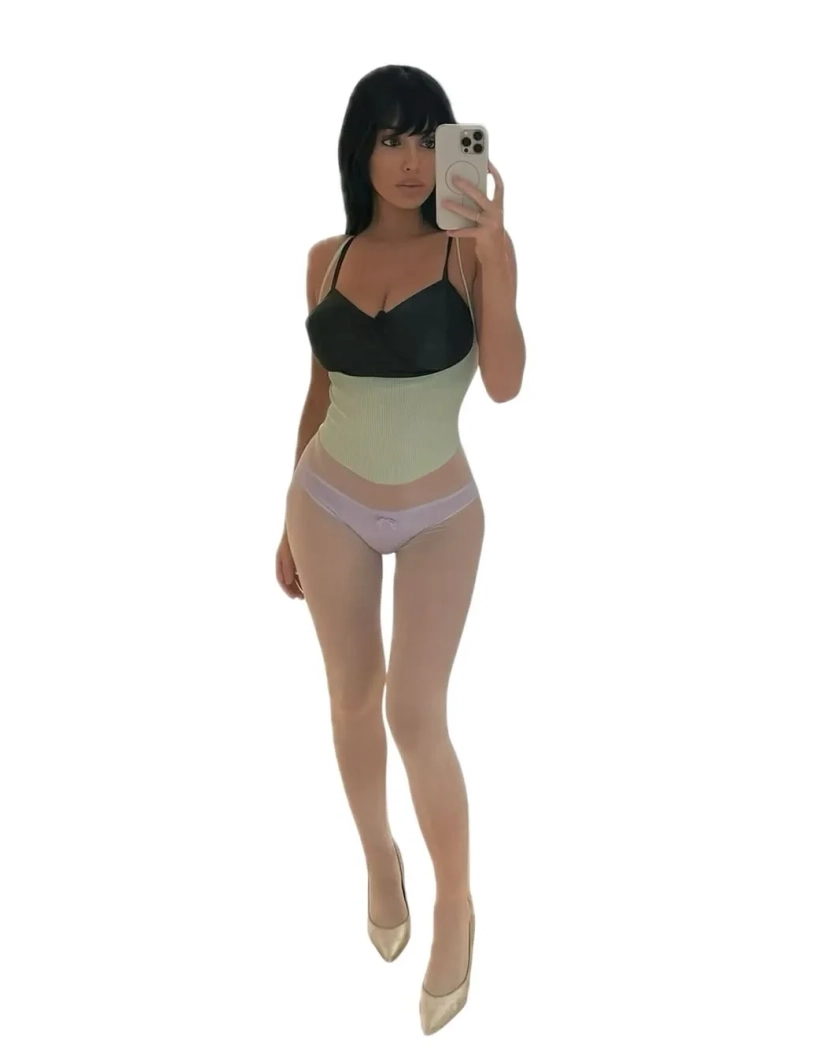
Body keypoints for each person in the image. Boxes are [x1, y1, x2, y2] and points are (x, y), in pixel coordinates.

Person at [275, 64, 525, 1035]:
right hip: (326, 501)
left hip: (440, 514)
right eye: (390, 139)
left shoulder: (471, 253)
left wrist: (494, 253)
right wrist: (285, 518)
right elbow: (319, 389)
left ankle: (455, 902)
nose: (412, 160)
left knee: (416, 712)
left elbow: (503, 383)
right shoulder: (323, 258)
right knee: (351, 697)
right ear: (361, 152)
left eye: (427, 138)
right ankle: (379, 856)